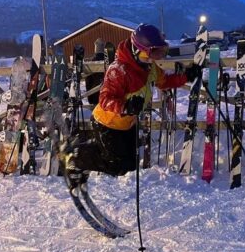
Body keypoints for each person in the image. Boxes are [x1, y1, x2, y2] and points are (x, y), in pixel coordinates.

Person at [63, 24, 200, 184]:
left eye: (156, 53)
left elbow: (164, 81)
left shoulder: (149, 68)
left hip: (128, 123)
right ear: (136, 50)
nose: (151, 59)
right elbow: (105, 99)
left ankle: (91, 153)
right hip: (108, 123)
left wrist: (186, 76)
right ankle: (75, 156)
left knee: (129, 165)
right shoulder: (119, 70)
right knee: (116, 166)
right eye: (149, 54)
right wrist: (126, 106)